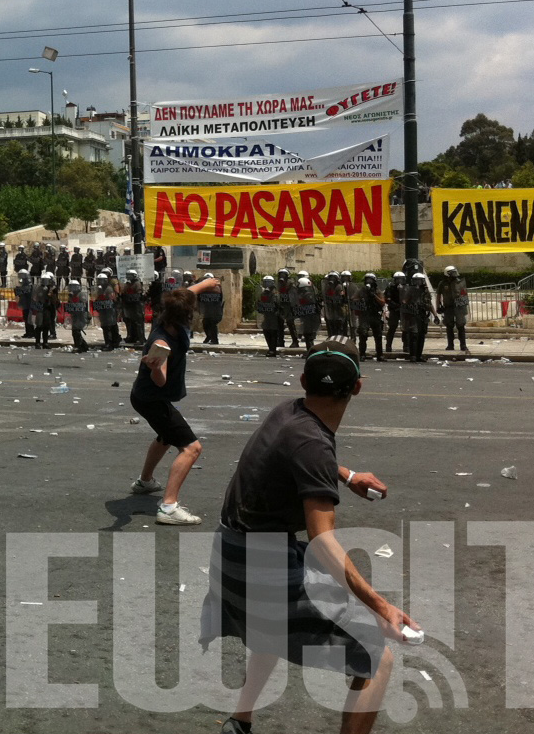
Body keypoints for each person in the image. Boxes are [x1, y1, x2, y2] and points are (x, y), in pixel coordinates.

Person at [200, 339, 417, 734]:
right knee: (374, 653)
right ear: (357, 387)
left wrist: (348, 476)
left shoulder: (288, 411)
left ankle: (240, 721)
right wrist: (380, 607)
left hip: (230, 555)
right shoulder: (314, 444)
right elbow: (324, 541)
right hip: (259, 573)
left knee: (286, 611)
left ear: (303, 381)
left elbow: (301, 453)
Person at [128, 276, 221, 524]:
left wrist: (208, 283)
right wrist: (154, 366)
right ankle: (168, 507)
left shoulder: (169, 312)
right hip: (151, 398)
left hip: (146, 396)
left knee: (165, 436)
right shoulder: (161, 342)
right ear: (188, 315)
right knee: (192, 448)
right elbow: (160, 380)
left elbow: (186, 293)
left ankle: (144, 482)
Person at [401, 272, 437, 362]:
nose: (418, 282)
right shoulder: (410, 290)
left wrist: (435, 315)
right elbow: (405, 301)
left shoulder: (425, 291)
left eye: (419, 280)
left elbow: (429, 304)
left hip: (422, 315)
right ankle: (412, 355)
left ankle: (419, 355)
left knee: (421, 336)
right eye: (416, 280)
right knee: (414, 335)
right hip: (413, 315)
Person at [350, 273, 386, 362]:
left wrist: (374, 295)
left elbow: (382, 302)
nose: (368, 281)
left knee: (378, 336)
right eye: (367, 279)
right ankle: (362, 354)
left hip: (375, 315)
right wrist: (360, 300)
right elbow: (353, 299)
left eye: (370, 280)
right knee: (363, 335)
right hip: (364, 315)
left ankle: (380, 355)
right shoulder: (361, 290)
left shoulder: (377, 291)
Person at [437, 265, 469, 352]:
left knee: (461, 326)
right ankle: (450, 345)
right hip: (448, 307)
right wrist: (438, 306)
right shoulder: (442, 284)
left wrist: (463, 304)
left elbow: (464, 294)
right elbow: (439, 295)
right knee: (449, 326)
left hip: (459, 307)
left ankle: (463, 345)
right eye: (452, 273)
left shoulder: (459, 282)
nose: (455, 274)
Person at [256, 274, 283, 357]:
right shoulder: (264, 293)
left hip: (274, 316)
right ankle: (270, 348)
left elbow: (277, 304)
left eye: (268, 282)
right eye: (265, 282)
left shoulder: (275, 293)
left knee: (273, 333)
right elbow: (261, 303)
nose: (266, 284)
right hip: (267, 316)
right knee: (266, 331)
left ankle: (273, 350)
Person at [292, 276, 322, 350]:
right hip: (308, 316)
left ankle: (310, 350)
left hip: (310, 317)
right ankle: (310, 350)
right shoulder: (311, 293)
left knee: (308, 334)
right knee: (307, 334)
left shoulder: (307, 295)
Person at [95, 272, 121, 351]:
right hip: (103, 310)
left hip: (109, 310)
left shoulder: (108, 289)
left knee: (109, 327)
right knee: (105, 326)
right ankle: (111, 342)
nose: (100, 282)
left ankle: (110, 344)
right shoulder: (100, 289)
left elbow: (112, 299)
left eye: (101, 280)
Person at [198, 272, 224, 345]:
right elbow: (199, 299)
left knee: (212, 324)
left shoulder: (216, 288)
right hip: (208, 311)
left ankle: (215, 340)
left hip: (216, 311)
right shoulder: (204, 289)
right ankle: (209, 337)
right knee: (205, 323)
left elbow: (220, 298)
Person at [120, 270, 146, 345]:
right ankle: (132, 337)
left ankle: (141, 339)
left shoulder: (137, 284)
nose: (128, 277)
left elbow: (138, 295)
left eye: (130, 275)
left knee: (138, 323)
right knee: (131, 322)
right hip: (129, 305)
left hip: (137, 306)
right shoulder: (128, 284)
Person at [65, 278, 91, 352]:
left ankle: (78, 346)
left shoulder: (81, 294)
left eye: (73, 287)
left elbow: (82, 305)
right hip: (75, 316)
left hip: (82, 316)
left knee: (76, 331)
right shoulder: (71, 296)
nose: (71, 289)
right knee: (75, 332)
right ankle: (84, 346)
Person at [277, 268, 300, 349]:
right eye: (280, 275)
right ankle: (280, 341)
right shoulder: (279, 284)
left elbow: (293, 298)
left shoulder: (290, 284)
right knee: (279, 324)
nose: (281, 277)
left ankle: (295, 341)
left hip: (289, 307)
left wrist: (293, 308)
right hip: (282, 307)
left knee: (290, 324)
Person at [383, 271, 406, 354]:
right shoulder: (390, 287)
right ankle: (388, 345)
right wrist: (395, 306)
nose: (399, 281)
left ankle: (406, 345)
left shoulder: (406, 287)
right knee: (392, 327)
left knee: (405, 328)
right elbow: (388, 299)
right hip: (394, 310)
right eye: (397, 279)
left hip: (404, 310)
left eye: (401, 279)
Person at [33, 273, 57, 349]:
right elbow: (36, 298)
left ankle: (45, 342)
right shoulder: (38, 288)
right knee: (39, 326)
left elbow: (54, 299)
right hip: (40, 308)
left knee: (46, 326)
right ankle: (37, 342)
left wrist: (51, 293)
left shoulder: (51, 288)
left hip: (47, 309)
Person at [15, 270, 35, 339]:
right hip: (25, 304)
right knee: (26, 318)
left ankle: (31, 332)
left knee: (29, 319)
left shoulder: (29, 285)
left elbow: (29, 293)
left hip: (29, 304)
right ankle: (27, 332)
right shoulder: (22, 284)